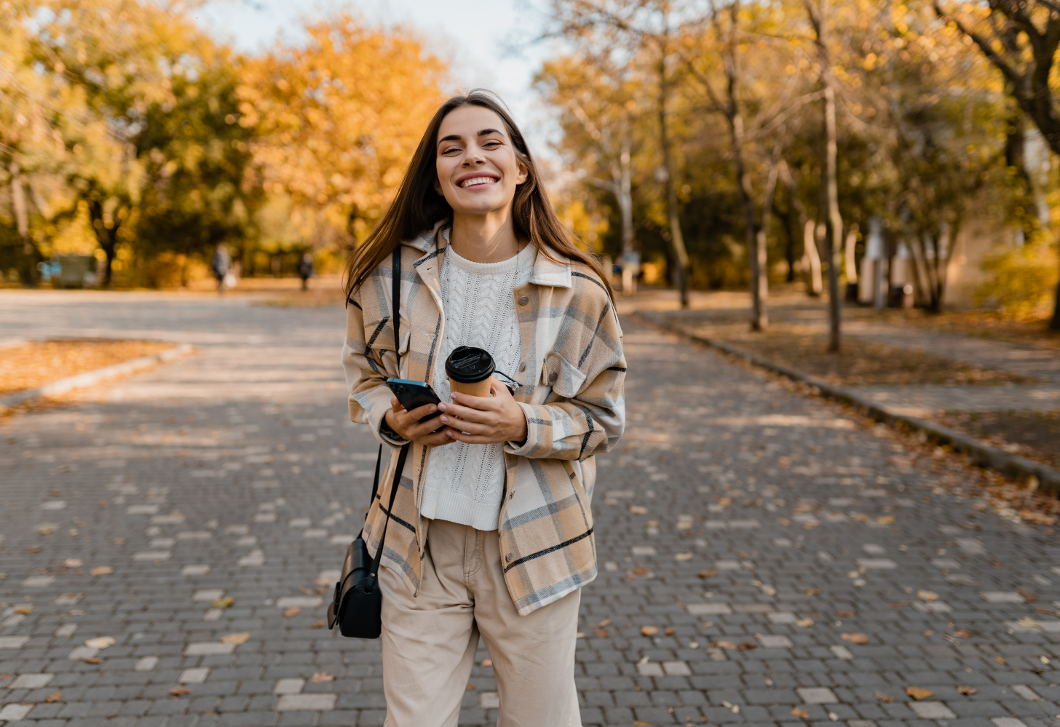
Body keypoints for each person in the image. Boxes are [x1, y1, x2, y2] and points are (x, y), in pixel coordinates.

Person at [341, 90, 626, 727]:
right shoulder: (390, 276)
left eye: (489, 141)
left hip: (535, 543)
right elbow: (364, 380)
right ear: (437, 176)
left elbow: (603, 419)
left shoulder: (578, 289)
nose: (472, 155)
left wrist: (521, 423)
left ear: (520, 168)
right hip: (419, 546)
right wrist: (392, 418)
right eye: (452, 147)